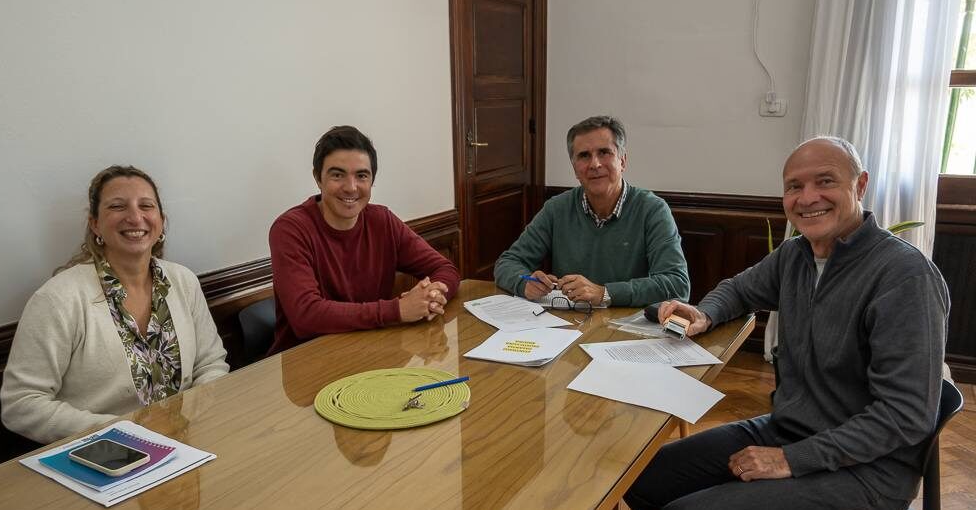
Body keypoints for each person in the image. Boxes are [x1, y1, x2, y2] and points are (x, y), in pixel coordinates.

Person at [623, 137, 949, 509]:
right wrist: (705, 313)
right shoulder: (795, 254)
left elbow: (906, 414)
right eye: (794, 186)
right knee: (638, 476)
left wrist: (791, 460)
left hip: (869, 470)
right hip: (789, 429)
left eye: (825, 181)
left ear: (860, 185)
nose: (807, 198)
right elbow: (738, 289)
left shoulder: (905, 276)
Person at [0, 166, 229, 444]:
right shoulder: (58, 299)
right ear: (95, 224)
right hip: (105, 454)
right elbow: (20, 405)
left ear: (161, 221)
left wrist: (192, 419)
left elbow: (211, 364)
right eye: (118, 206)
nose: (135, 217)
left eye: (146, 206)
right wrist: (126, 430)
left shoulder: (183, 281)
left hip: (189, 442)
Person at [268, 125, 460, 354]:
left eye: (361, 176)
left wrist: (431, 297)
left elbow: (444, 269)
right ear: (318, 178)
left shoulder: (382, 220)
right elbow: (306, 316)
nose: (351, 187)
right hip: (306, 359)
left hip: (370, 351)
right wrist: (397, 310)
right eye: (337, 175)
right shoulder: (290, 229)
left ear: (372, 181)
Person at [494, 115, 689, 307]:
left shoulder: (652, 210)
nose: (595, 164)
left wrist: (605, 293)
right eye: (584, 156)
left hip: (626, 323)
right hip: (568, 322)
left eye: (604, 152)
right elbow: (507, 263)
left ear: (622, 161)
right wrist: (524, 283)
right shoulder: (557, 208)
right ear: (575, 168)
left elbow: (677, 285)